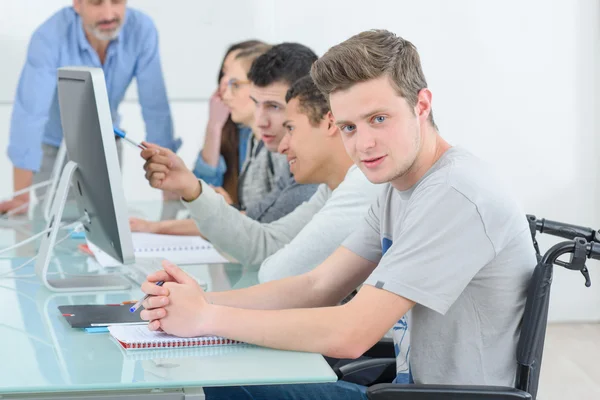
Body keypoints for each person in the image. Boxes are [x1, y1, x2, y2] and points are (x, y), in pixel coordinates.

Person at [139, 30, 537, 400]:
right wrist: (196, 302)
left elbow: (351, 333)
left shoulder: (455, 193)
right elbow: (316, 286)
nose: (364, 143)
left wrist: (207, 318)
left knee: (215, 383)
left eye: (379, 119)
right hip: (404, 385)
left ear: (422, 105)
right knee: (220, 372)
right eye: (348, 127)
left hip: (429, 395)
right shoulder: (396, 185)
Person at [136, 74, 381, 282]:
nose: (283, 145)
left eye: (291, 128)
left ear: (329, 123)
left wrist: (203, 302)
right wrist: (192, 189)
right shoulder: (331, 189)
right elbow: (265, 244)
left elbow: (277, 273)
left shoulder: (363, 185)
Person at [1, 0, 180, 214]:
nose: (108, 14)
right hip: (55, 149)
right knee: (59, 225)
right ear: (77, 4)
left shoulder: (142, 30)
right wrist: (21, 198)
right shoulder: (49, 36)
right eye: (96, 3)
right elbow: (30, 113)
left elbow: (155, 108)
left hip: (105, 143)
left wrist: (169, 186)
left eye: (116, 2)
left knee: (105, 225)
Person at [192, 40, 265, 204]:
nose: (224, 89)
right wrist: (214, 127)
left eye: (235, 83)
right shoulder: (237, 129)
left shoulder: (270, 142)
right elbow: (201, 192)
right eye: (224, 75)